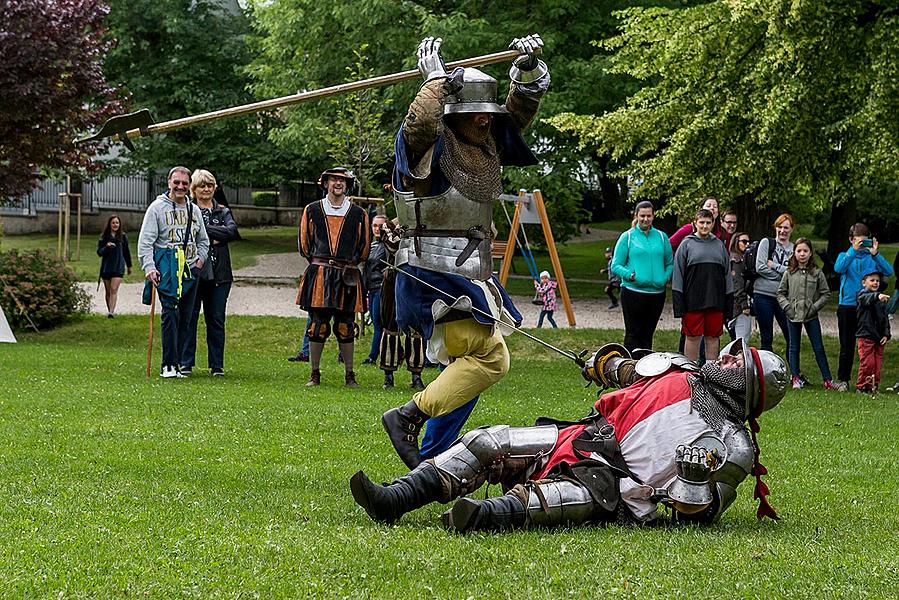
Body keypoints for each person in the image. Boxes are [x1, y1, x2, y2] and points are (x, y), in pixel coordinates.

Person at [350, 339, 788, 532]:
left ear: (750, 388)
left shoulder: (734, 444)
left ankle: (481, 517)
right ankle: (395, 499)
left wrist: (693, 479)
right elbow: (624, 370)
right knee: (490, 441)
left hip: (623, 484)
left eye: (739, 366)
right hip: (589, 437)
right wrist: (601, 363)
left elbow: (704, 511)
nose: (728, 359)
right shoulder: (679, 367)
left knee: (555, 498)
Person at [380, 34, 549, 470]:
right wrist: (435, 82)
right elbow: (419, 124)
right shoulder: (423, 147)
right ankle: (407, 418)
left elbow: (515, 120)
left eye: (487, 115)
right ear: (454, 113)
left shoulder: (483, 144)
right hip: (429, 274)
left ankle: (433, 457)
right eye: (475, 113)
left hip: (468, 274)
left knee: (464, 370)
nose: (484, 122)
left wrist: (527, 73)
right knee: (489, 358)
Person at [296, 167, 370, 388]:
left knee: (345, 325)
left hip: (347, 274)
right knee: (317, 325)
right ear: (325, 183)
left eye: (342, 180)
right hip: (319, 273)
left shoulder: (359, 214)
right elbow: (304, 245)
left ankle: (349, 374)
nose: (338, 183)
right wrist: (323, 263)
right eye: (334, 180)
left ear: (347, 185)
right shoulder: (312, 210)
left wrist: (347, 264)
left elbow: (364, 248)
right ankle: (314, 373)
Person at [138, 166, 209, 379]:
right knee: (170, 314)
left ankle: (179, 364)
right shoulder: (157, 208)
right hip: (167, 270)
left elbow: (203, 240)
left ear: (190, 186)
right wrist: (149, 267)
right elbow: (145, 242)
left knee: (186, 318)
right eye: (176, 182)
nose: (180, 187)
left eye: (184, 183)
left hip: (190, 270)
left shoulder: (193, 210)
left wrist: (199, 261)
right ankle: (168, 364)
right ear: (169, 182)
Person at [181, 170, 239, 377]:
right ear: (193, 189)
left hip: (220, 274)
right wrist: (215, 235)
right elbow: (188, 234)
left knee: (216, 319)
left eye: (210, 185)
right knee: (189, 317)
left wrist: (205, 232)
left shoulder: (222, 211)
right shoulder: (187, 210)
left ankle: (217, 365)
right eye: (202, 186)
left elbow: (231, 232)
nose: (206, 189)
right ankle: (185, 363)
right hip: (194, 272)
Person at [833, 223, 893, 391]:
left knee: (869, 345)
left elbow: (888, 271)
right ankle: (843, 379)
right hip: (848, 305)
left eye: (865, 241)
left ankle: (868, 381)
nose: (862, 245)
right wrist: (853, 250)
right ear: (851, 240)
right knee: (847, 344)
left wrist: (875, 254)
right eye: (860, 241)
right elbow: (839, 268)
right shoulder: (845, 255)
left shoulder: (871, 259)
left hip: (868, 309)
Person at [611, 201, 674, 352]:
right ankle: (629, 368)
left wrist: (664, 278)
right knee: (633, 333)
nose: (646, 219)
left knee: (648, 334)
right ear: (636, 216)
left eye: (649, 216)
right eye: (642, 216)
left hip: (657, 293)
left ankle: (646, 369)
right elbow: (616, 265)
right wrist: (630, 275)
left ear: (653, 216)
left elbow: (670, 263)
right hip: (633, 292)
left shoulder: (661, 237)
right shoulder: (627, 237)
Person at [672, 208, 733, 362]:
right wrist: (679, 304)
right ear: (695, 223)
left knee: (713, 337)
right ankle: (690, 372)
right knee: (692, 337)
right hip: (692, 302)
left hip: (715, 301)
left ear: (713, 224)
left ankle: (710, 372)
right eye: (702, 222)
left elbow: (727, 276)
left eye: (708, 223)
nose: (705, 226)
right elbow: (678, 275)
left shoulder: (719, 246)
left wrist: (728, 302)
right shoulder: (686, 245)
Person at [776, 238, 836, 390]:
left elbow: (825, 294)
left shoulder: (817, 273)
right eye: (799, 251)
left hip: (811, 315)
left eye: (805, 251)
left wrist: (814, 307)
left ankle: (827, 380)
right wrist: (787, 308)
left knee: (818, 347)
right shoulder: (789, 273)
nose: (802, 254)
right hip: (792, 315)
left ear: (810, 253)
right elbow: (781, 293)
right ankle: (795, 378)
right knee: (794, 347)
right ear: (794, 253)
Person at [377, 218, 426, 391]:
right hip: (393, 280)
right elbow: (395, 246)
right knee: (391, 326)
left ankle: (416, 375)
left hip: (414, 281)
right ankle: (388, 375)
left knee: (416, 328)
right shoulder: (388, 227)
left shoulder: (422, 226)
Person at [753, 213, 795, 353]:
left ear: (791, 229)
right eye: (780, 227)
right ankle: (766, 371)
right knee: (766, 337)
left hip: (784, 297)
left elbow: (793, 273)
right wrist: (784, 274)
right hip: (763, 295)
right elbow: (760, 267)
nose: (782, 231)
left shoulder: (795, 249)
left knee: (791, 336)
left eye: (786, 228)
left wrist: (775, 266)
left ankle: (794, 372)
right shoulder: (767, 243)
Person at [855, 271, 890, 394]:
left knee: (877, 365)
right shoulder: (862, 295)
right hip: (866, 335)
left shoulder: (880, 298)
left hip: (879, 337)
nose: (875, 283)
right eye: (872, 280)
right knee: (867, 363)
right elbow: (866, 299)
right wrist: (876, 296)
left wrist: (886, 334)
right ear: (864, 282)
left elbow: (885, 318)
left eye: (877, 281)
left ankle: (873, 387)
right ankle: (861, 386)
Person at [363, 215, 389, 366]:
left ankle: (373, 356)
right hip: (371, 288)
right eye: (374, 225)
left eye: (380, 225)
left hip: (381, 288)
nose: (377, 228)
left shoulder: (388, 246)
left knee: (379, 324)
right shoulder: (372, 245)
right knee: (376, 323)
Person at [96, 214, 132, 318]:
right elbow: (99, 252)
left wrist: (129, 266)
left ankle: (111, 312)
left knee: (113, 289)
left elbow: (126, 252)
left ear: (119, 224)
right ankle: (109, 311)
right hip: (106, 267)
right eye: (113, 223)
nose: (115, 225)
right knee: (108, 291)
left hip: (118, 267)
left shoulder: (123, 237)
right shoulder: (104, 237)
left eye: (117, 222)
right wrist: (106, 247)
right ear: (109, 224)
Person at [729, 232, 753, 341]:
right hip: (738, 306)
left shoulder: (744, 259)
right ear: (736, 243)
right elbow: (737, 285)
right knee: (741, 341)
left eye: (749, 242)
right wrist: (745, 305)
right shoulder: (736, 261)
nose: (747, 244)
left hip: (739, 304)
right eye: (744, 241)